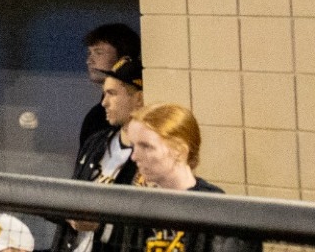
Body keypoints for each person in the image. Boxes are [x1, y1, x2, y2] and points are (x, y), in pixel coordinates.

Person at [116, 105, 250, 252]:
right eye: (134, 146)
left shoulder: (214, 206)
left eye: (146, 147)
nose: (134, 156)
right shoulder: (142, 205)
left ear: (179, 150)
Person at [52, 58, 142, 252]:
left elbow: (146, 225)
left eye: (112, 94)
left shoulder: (149, 158)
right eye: (104, 93)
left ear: (139, 99)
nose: (104, 103)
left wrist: (101, 224)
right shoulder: (95, 143)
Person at [77, 22, 141, 146]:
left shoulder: (145, 114)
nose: (89, 61)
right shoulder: (95, 116)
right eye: (89, 53)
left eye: (98, 52)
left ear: (123, 57)